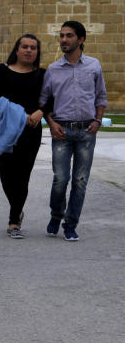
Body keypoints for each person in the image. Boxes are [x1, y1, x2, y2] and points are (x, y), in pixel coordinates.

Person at [40, 20, 107, 242]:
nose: (64, 40)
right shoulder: (53, 70)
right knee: (60, 178)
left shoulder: (94, 66)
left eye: (69, 35)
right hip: (62, 131)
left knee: (80, 180)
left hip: (87, 131)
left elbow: (101, 97)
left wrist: (97, 121)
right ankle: (56, 215)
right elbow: (44, 101)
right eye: (61, 36)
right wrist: (51, 123)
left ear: (81, 39)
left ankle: (70, 224)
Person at [0, 34, 50, 239]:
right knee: (7, 176)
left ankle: (14, 221)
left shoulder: (42, 74)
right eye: (25, 46)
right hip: (7, 129)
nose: (29, 50)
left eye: (33, 48)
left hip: (31, 131)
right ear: (17, 49)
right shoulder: (1, 70)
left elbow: (51, 97)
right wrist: (21, 116)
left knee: (23, 176)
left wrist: (40, 113)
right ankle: (18, 209)